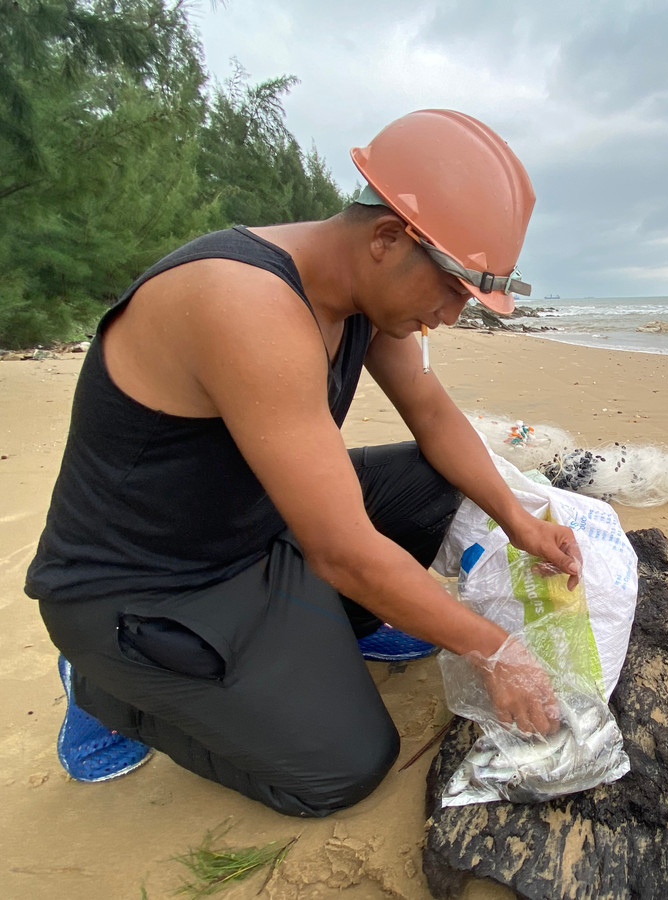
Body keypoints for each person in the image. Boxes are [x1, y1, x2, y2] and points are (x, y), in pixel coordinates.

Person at [24, 109, 582, 817]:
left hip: (254, 527)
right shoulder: (245, 302)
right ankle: (106, 687)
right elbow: (343, 551)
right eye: (451, 291)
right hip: (145, 587)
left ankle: (329, 625)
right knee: (343, 767)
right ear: (387, 238)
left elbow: (434, 414)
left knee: (431, 480)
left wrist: (522, 521)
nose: (450, 316)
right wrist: (492, 649)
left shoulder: (360, 301)